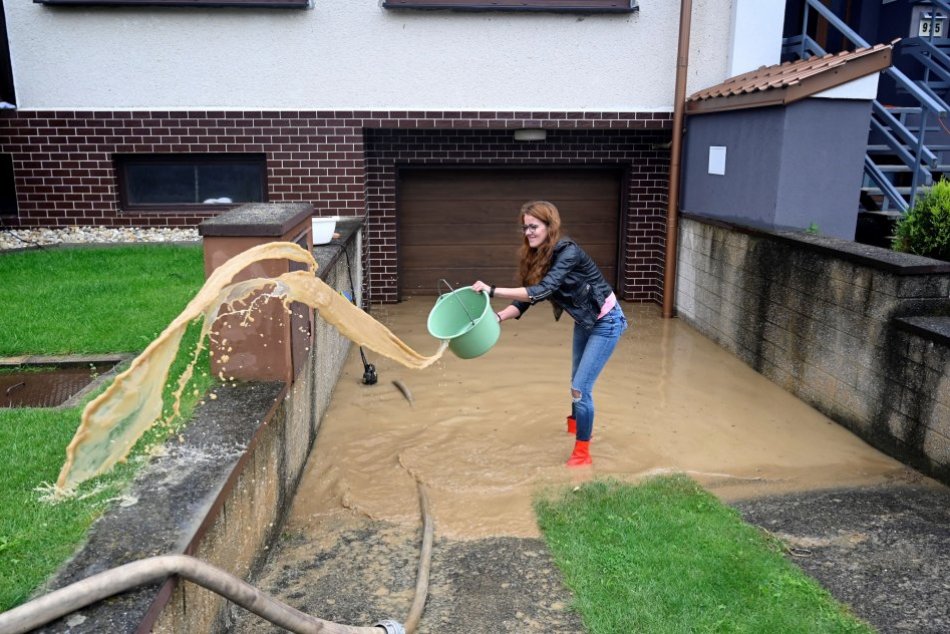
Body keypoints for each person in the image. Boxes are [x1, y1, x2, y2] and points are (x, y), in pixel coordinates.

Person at [472, 200, 628, 467]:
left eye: (534, 227)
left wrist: (492, 290)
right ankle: (576, 425)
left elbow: (542, 290)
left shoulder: (568, 252)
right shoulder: (537, 256)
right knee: (576, 382)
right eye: (525, 228)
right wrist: (497, 318)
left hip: (607, 321)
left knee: (580, 388)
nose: (528, 232)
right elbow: (525, 300)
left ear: (549, 226)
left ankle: (582, 454)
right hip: (585, 321)